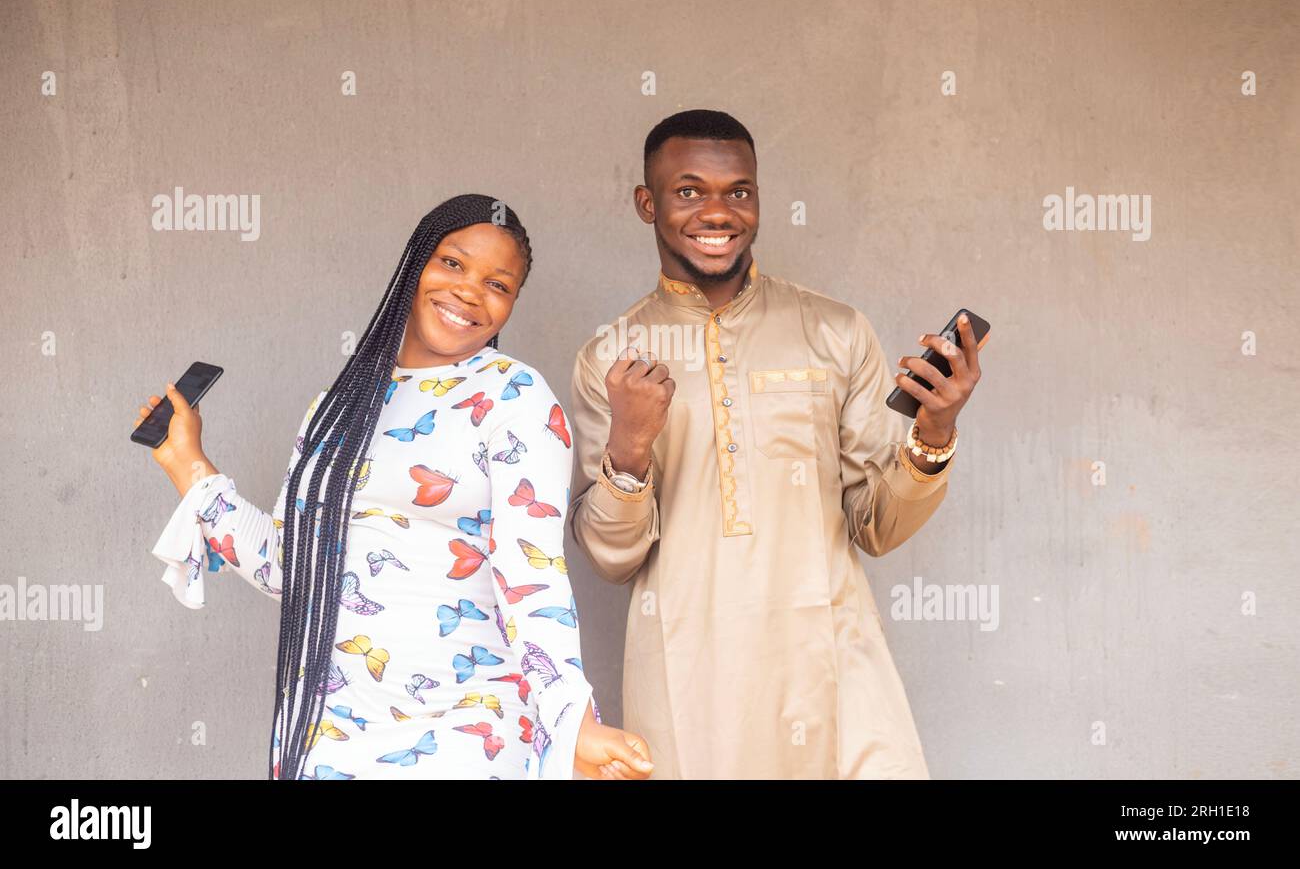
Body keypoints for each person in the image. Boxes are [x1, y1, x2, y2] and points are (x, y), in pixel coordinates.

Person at [136, 193, 653, 781]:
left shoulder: (516, 398)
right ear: (415, 264)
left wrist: (572, 718)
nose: (468, 291)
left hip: (472, 726)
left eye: (498, 285)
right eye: (452, 264)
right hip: (333, 726)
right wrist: (185, 462)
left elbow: (530, 575)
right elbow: (291, 569)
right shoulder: (337, 409)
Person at [566, 111, 984, 779]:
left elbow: (876, 526)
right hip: (688, 674)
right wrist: (631, 446)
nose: (718, 211)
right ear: (647, 203)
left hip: (830, 659)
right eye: (688, 191)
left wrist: (934, 431)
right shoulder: (611, 357)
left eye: (739, 191)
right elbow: (611, 559)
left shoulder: (836, 331)